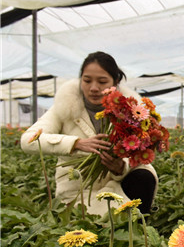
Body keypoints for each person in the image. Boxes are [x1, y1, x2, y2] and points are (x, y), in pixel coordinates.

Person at [21, 51, 158, 215]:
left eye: (102, 81)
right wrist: (76, 144)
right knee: (105, 220)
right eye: (87, 80)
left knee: (144, 177)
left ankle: (139, 227)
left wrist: (121, 167)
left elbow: (139, 156)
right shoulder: (65, 105)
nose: (93, 88)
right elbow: (28, 140)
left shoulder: (133, 112)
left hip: (115, 184)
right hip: (78, 190)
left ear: (116, 82)